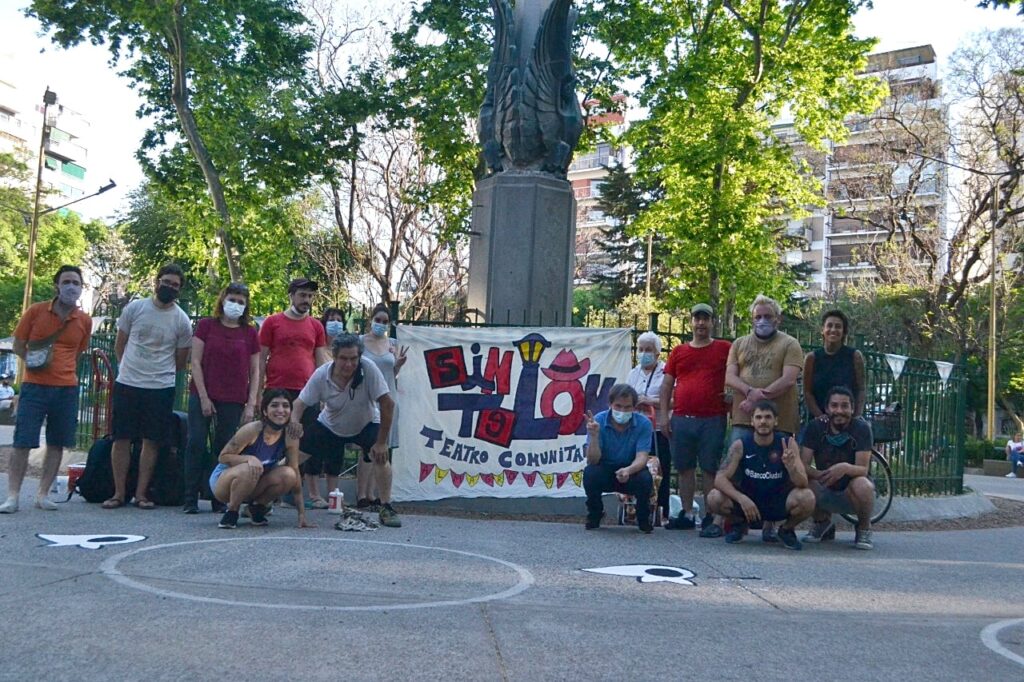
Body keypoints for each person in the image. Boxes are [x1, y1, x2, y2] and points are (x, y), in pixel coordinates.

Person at [0, 265, 92, 513]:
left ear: (81, 288)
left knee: (57, 442)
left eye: (76, 282)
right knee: (23, 441)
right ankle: (13, 496)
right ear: (57, 285)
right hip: (35, 386)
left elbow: (80, 351)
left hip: (67, 388)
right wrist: (34, 363)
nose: (71, 286)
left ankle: (43, 494)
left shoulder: (84, 320)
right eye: (67, 281)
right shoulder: (36, 311)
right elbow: (19, 344)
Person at [103, 264, 193, 510]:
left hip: (160, 387)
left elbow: (181, 361)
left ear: (179, 290)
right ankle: (118, 493)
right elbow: (119, 345)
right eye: (166, 282)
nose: (169, 287)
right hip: (128, 383)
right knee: (120, 438)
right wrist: (129, 369)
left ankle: (141, 494)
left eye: (175, 285)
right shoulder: (135, 308)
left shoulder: (182, 321)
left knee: (151, 441)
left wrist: (157, 373)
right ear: (156, 282)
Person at [291, 334, 401, 528]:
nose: (349, 364)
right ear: (334, 356)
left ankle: (386, 506)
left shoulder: (368, 369)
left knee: (381, 457)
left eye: (353, 359)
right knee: (292, 458)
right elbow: (299, 403)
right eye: (343, 358)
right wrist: (294, 422)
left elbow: (387, 404)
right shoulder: (322, 374)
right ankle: (264, 499)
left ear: (359, 357)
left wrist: (382, 442)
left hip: (366, 422)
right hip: (330, 424)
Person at [183, 283, 261, 514]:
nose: (235, 304)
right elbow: (195, 362)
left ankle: (219, 495)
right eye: (232, 299)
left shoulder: (249, 332)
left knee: (225, 448)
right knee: (196, 442)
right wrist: (204, 398)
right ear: (223, 299)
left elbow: (255, 371)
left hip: (234, 397)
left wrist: (251, 403)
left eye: (240, 301)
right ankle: (190, 498)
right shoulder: (206, 325)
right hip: (203, 394)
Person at [659, 303, 731, 536]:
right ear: (691, 322)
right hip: (682, 418)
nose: (701, 323)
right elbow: (667, 384)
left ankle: (711, 513)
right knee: (684, 468)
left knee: (710, 468)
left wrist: (732, 396)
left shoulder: (724, 348)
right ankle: (688, 513)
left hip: (713, 419)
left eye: (705, 319)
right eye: (697, 319)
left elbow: (736, 373)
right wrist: (663, 416)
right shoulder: (679, 352)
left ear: (712, 323)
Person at [259, 278, 330, 506]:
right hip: (277, 389)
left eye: (310, 296)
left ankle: (293, 490)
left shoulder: (316, 326)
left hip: (306, 392)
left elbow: (320, 362)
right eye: (302, 295)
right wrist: (260, 389)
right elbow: (260, 358)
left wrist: (323, 395)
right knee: (271, 440)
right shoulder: (272, 322)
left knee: (302, 441)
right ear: (291, 295)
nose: (306, 300)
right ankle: (267, 490)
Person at [706, 400, 814, 550]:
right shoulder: (740, 445)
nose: (763, 421)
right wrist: (741, 498)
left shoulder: (787, 444)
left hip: (778, 502)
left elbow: (803, 482)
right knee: (714, 497)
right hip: (748, 503)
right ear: (752, 421)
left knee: (807, 498)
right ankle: (738, 524)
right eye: (759, 417)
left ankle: (786, 530)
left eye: (768, 417)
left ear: (776, 421)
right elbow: (720, 478)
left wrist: (791, 468)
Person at [210, 389, 314, 529]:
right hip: (224, 482)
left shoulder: (290, 435)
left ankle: (257, 507)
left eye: (285, 405)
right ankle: (232, 512)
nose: (280, 410)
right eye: (274, 405)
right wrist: (248, 458)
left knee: (289, 474)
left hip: (255, 482)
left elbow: (295, 472)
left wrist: (301, 515)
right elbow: (223, 457)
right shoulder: (252, 430)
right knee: (250, 467)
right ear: (265, 411)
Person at [800, 386, 876, 550]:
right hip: (825, 485)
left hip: (851, 492)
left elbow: (863, 469)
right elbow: (803, 465)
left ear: (852, 408)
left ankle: (863, 528)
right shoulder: (815, 427)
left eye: (844, 406)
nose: (839, 411)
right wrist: (819, 474)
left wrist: (844, 468)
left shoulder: (862, 429)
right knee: (802, 479)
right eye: (834, 406)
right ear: (827, 408)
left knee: (863, 484)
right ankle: (821, 523)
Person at [725, 295, 804, 441]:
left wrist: (756, 398)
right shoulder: (739, 344)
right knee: (738, 460)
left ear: (777, 319)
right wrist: (749, 391)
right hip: (744, 420)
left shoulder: (790, 344)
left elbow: (788, 380)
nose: (762, 321)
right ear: (752, 320)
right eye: (758, 317)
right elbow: (730, 377)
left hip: (779, 422)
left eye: (768, 316)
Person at [582, 383, 655, 533]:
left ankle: (643, 517)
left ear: (634, 407)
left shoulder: (644, 424)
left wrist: (628, 470)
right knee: (590, 473)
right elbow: (593, 460)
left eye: (627, 407)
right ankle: (595, 513)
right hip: (606, 468)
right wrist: (594, 437)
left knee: (645, 479)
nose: (622, 411)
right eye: (618, 406)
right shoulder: (599, 421)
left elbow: (642, 457)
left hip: (631, 468)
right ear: (610, 404)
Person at [357, 303, 408, 511]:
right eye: (378, 320)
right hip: (366, 398)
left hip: (387, 398)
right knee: (367, 447)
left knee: (382, 447)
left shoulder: (392, 344)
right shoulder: (359, 342)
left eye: (385, 322)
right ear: (371, 319)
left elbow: (392, 373)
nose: (381, 324)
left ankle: (379, 496)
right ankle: (363, 495)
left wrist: (398, 364)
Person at [626, 331, 670, 523]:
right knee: (637, 466)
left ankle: (662, 510)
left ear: (658, 353)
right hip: (636, 428)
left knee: (661, 469)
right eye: (641, 349)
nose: (644, 353)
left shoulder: (666, 372)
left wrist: (651, 401)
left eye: (648, 350)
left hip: (658, 429)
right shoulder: (633, 373)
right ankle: (633, 507)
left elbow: (674, 400)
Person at [803, 309, 866, 421]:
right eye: (829, 326)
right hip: (820, 420)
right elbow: (807, 392)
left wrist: (856, 416)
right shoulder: (811, 358)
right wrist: (820, 416)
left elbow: (861, 389)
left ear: (844, 332)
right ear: (823, 330)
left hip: (847, 419)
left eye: (838, 326)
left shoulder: (855, 356)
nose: (833, 330)